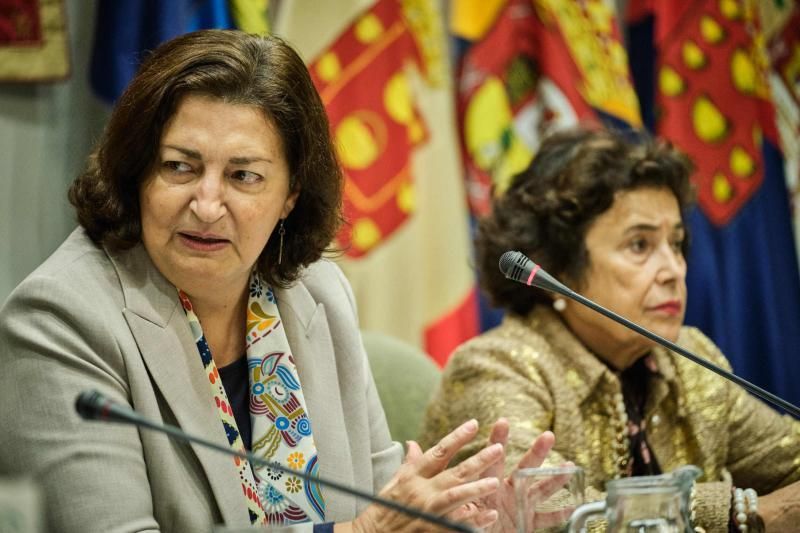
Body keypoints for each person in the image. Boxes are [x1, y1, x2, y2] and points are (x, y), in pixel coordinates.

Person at [0, 30, 556, 533]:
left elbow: (388, 504)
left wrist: (469, 519)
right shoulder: (61, 318)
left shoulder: (317, 294)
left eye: (244, 176)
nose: (208, 203)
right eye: (180, 166)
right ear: (137, 172)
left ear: (290, 195)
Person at [419, 126, 800, 532]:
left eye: (677, 243)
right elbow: (551, 516)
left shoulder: (691, 359)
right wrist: (743, 513)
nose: (673, 270)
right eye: (640, 246)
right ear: (560, 268)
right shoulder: (496, 367)